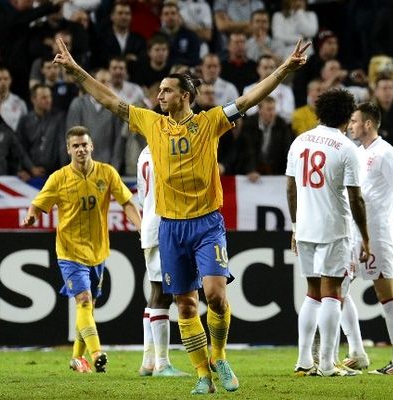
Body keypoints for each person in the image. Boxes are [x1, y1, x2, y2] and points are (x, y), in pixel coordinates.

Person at [53, 34, 309, 394]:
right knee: (185, 306)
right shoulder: (150, 123)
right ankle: (203, 373)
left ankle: (218, 356)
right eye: (159, 90)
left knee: (216, 295)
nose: (159, 96)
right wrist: (76, 70)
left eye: (166, 91)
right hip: (170, 228)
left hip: (207, 224)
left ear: (185, 96)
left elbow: (250, 98)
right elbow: (109, 99)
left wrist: (284, 68)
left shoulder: (211, 122)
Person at [22, 126, 142, 373]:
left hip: (98, 251)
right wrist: (31, 216)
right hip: (69, 252)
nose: (80, 149)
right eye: (75, 146)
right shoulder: (59, 178)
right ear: (68, 149)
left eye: (84, 144)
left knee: (87, 306)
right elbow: (37, 205)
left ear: (92, 146)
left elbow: (127, 202)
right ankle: (97, 352)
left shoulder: (107, 173)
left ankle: (77, 358)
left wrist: (141, 228)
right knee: (84, 301)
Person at [286, 89, 370, 377]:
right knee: (332, 294)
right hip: (334, 227)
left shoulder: (299, 142)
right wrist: (366, 236)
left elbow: (290, 187)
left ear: (319, 112)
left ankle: (303, 361)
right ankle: (325, 364)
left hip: (306, 226)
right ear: (348, 117)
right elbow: (356, 198)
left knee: (311, 294)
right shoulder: (346, 148)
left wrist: (295, 226)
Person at [345, 102, 393, 375]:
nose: (351, 125)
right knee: (337, 288)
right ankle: (356, 353)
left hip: (378, 232)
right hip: (355, 232)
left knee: (386, 294)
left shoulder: (386, 153)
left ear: (368, 124)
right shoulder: (357, 152)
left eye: (354, 121)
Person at [136, 145, 188, 377]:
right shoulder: (168, 149)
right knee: (163, 294)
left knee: (156, 293)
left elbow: (140, 194)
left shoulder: (144, 153)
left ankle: (148, 362)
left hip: (149, 223)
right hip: (163, 227)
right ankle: (163, 364)